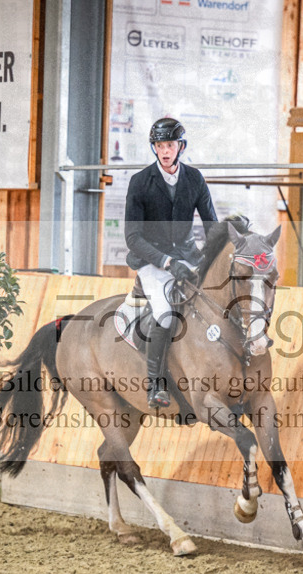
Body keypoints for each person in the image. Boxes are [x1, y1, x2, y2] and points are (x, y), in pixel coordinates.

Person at [125, 117, 217, 409]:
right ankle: (156, 386)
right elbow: (133, 237)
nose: (165, 151)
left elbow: (211, 225)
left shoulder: (195, 178)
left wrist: (227, 242)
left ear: (181, 146)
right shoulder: (140, 182)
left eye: (170, 145)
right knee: (165, 313)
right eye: (160, 145)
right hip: (152, 260)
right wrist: (165, 261)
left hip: (188, 257)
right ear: (154, 148)